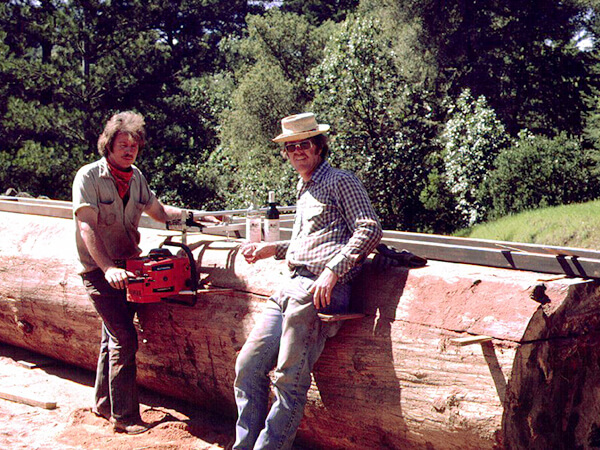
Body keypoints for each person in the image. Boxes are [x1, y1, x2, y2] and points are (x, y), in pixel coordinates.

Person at [233, 112, 383, 449]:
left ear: (319, 146)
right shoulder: (305, 185)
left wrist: (333, 270)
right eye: (291, 147)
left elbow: (370, 228)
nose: (297, 151)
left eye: (304, 144)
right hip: (292, 284)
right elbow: (316, 241)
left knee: (289, 380)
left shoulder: (340, 180)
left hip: (320, 290)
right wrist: (274, 248)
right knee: (248, 366)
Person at [72, 111, 184, 435]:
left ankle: (104, 403)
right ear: (108, 144)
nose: (129, 151)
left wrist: (193, 218)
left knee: (112, 336)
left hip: (130, 268)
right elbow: (86, 226)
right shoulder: (89, 177)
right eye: (123, 145)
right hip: (97, 270)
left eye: (134, 146)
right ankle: (125, 417)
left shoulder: (136, 178)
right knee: (123, 336)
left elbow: (159, 212)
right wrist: (106, 268)